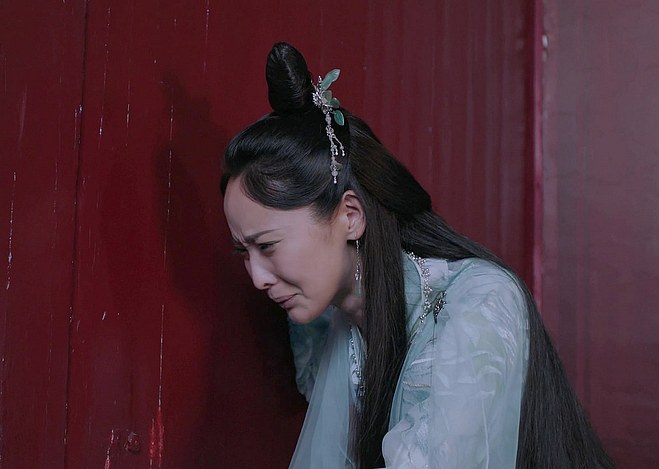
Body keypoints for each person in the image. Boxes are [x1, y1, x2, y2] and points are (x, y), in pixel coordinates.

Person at [220, 42, 613, 468]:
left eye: (267, 245)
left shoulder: (476, 305)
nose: (257, 277)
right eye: (244, 251)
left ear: (351, 216)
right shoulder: (330, 326)